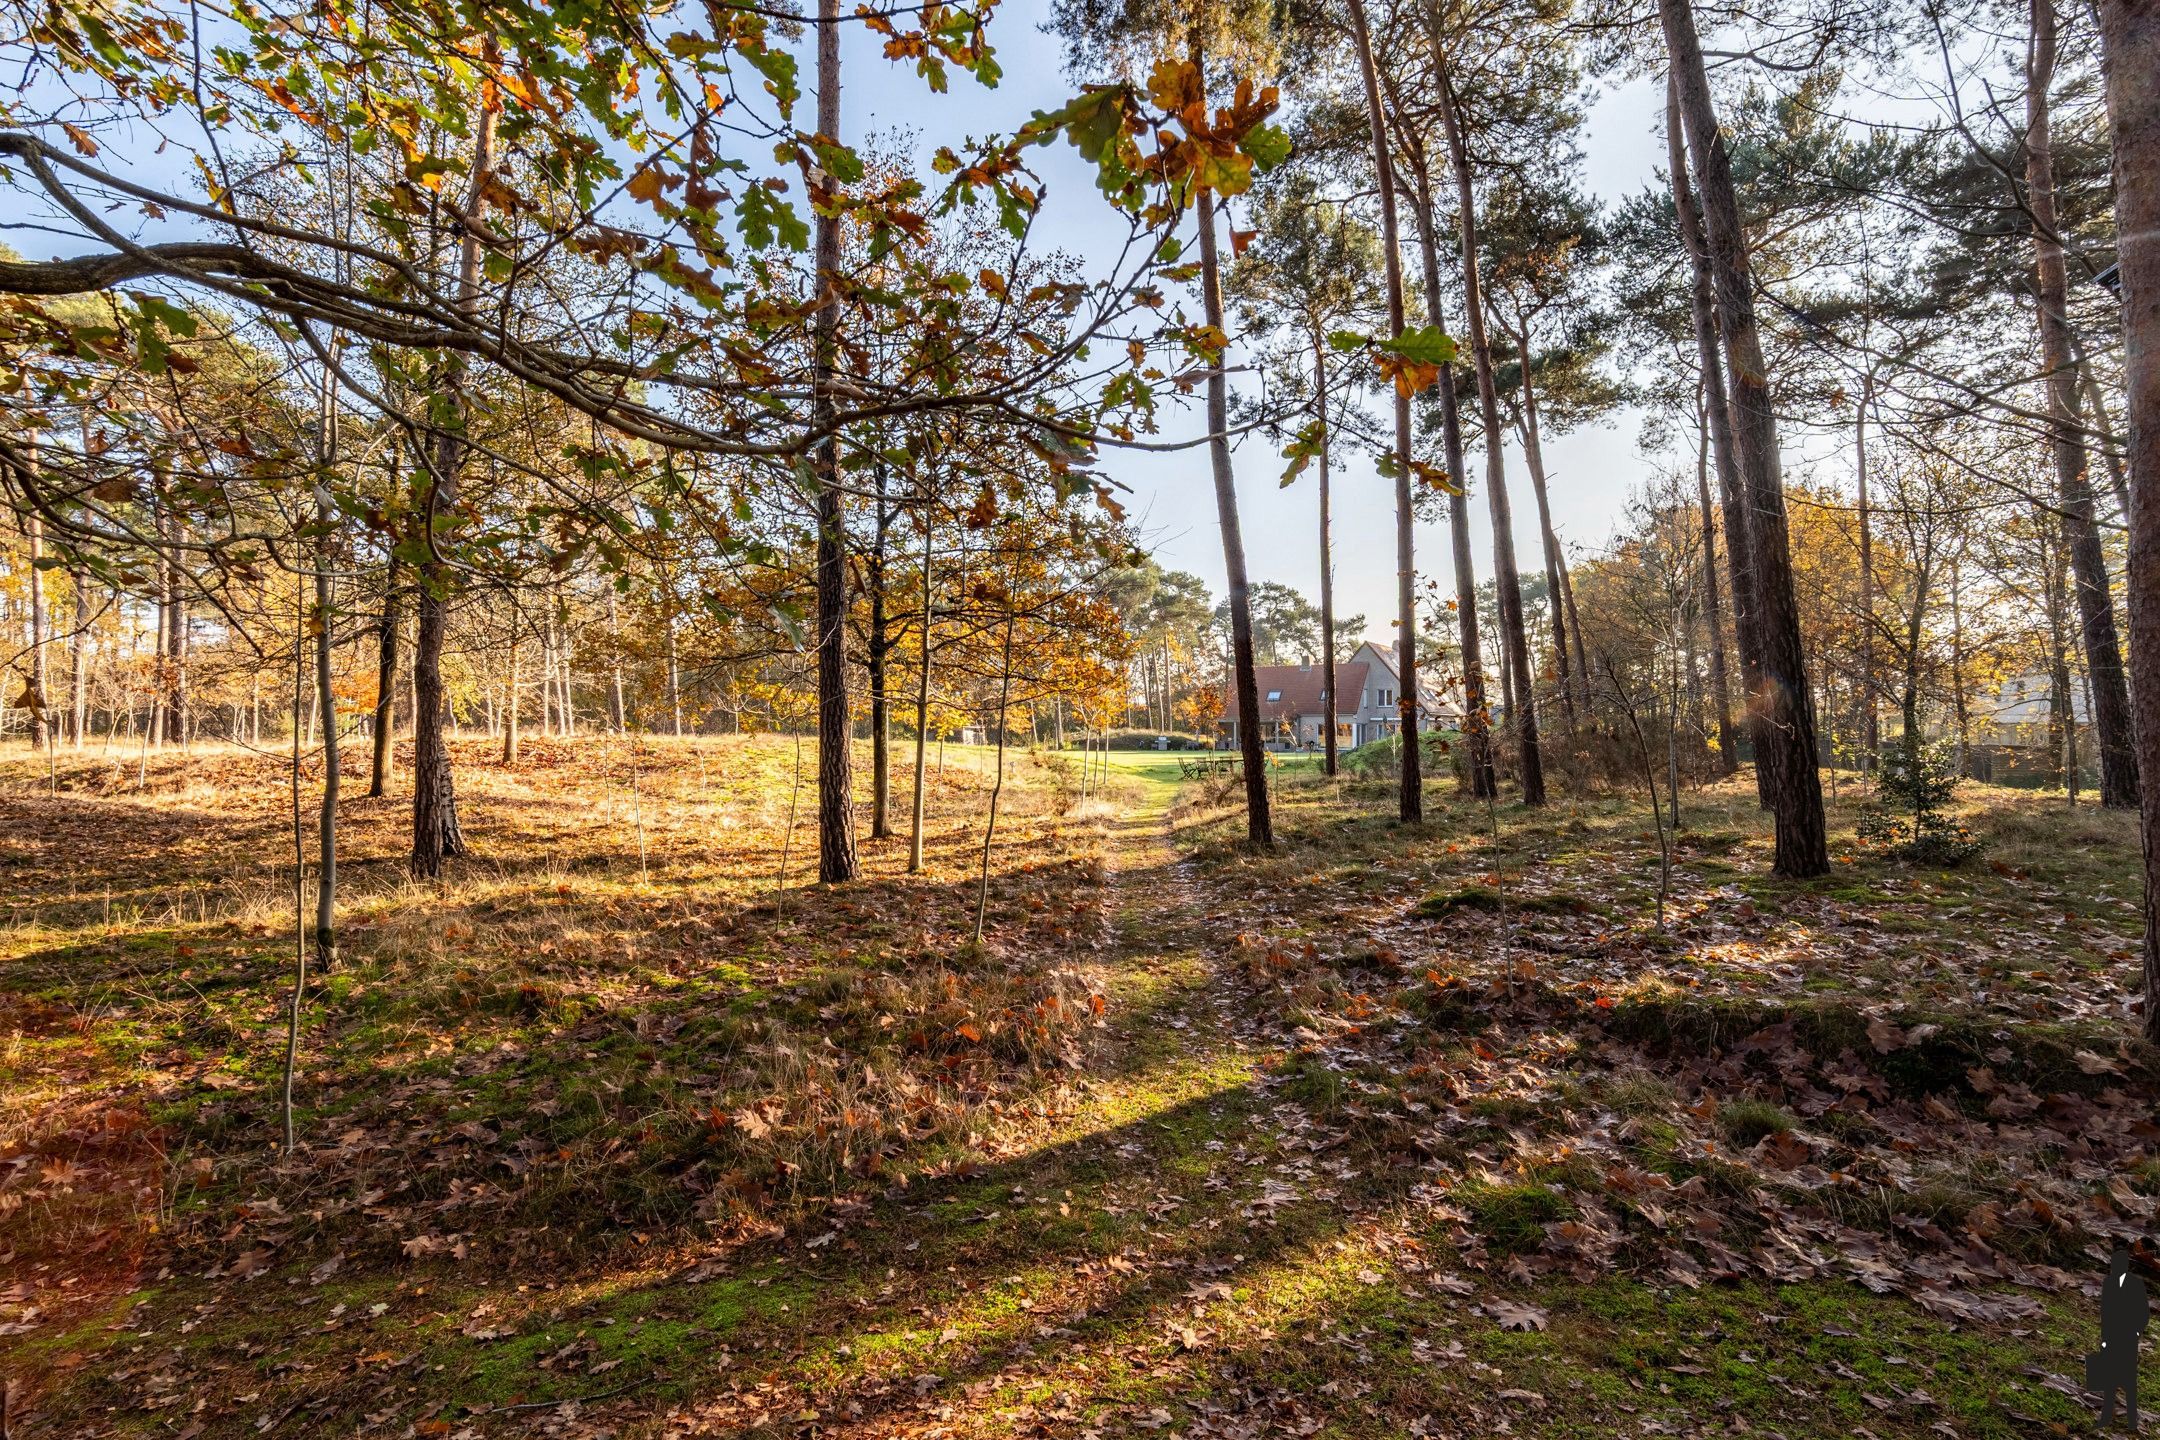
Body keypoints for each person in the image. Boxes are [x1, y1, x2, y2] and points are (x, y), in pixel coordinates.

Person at [2087, 1243, 2148, 1429]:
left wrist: (2136, 1331)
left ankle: (2131, 1420)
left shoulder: (2136, 1284)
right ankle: (2106, 1417)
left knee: (2129, 1380)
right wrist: (2104, 1338)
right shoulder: (2109, 1283)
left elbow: (2143, 1312)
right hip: (2112, 1337)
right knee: (2110, 1378)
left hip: (2128, 1337)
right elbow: (2106, 1312)